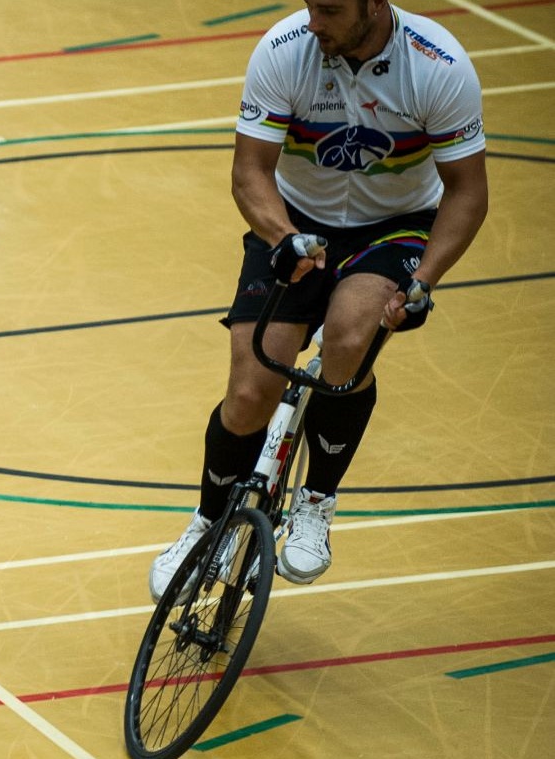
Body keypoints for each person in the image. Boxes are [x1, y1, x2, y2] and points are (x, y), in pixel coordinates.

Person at [150, 0, 487, 600]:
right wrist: (284, 238)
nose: (313, 22)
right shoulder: (284, 51)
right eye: (309, 6)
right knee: (252, 390)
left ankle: (316, 501)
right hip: (295, 221)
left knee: (348, 340)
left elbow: (467, 190)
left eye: (328, 10)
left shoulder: (438, 65)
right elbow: (250, 170)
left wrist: (424, 280)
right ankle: (208, 524)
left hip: (396, 226)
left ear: (374, 5)